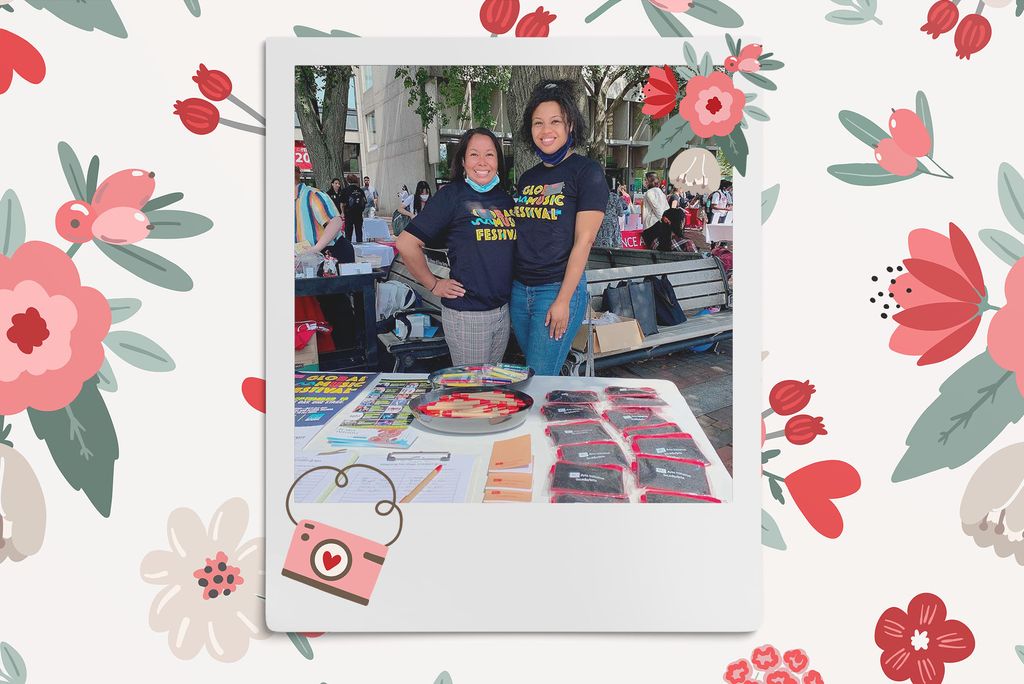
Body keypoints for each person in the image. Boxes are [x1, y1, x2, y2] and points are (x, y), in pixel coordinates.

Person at [395, 128, 517, 365]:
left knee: (492, 389)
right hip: (468, 315)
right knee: (471, 392)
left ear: (498, 162)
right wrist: (433, 284)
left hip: (502, 312)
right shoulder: (451, 196)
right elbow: (406, 243)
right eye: (474, 154)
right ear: (463, 161)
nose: (482, 162)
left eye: (490, 155)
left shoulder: (505, 200)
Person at [509, 80, 605, 375]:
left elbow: (584, 241)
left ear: (570, 125)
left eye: (554, 122)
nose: (545, 130)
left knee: (538, 376)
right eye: (538, 123)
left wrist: (563, 300)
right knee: (537, 372)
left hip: (556, 289)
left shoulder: (587, 172)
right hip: (519, 290)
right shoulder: (527, 177)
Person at [294, 167, 356, 351]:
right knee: (322, 303)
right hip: (310, 257)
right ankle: (329, 348)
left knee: (335, 302)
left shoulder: (312, 195)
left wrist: (315, 248)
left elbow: (336, 222)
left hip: (331, 251)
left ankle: (346, 348)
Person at [338, 173, 367, 243]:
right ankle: (360, 246)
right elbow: (364, 202)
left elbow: (341, 203)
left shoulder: (345, 190)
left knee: (348, 232)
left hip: (349, 213)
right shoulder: (360, 190)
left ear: (348, 181)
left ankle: (348, 247)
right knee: (359, 231)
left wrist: (342, 212)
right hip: (359, 214)